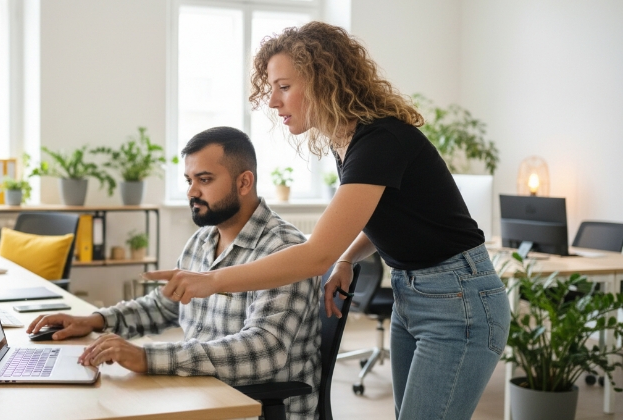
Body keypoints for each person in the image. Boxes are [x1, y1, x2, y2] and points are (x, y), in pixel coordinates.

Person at [145, 22, 511, 420]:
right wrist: (348, 258)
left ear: (324, 81)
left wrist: (212, 280)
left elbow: (315, 255)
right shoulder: (348, 142)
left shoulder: (380, 140)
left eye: (284, 87)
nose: (273, 101)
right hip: (413, 293)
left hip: (459, 298)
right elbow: (386, 216)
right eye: (272, 88)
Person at [27, 126, 322, 419]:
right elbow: (164, 305)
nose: (192, 192)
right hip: (201, 396)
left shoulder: (285, 251)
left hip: (252, 409)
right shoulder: (203, 240)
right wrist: (95, 321)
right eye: (189, 180)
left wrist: (146, 357)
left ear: (244, 182)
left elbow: (264, 351)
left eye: (204, 180)